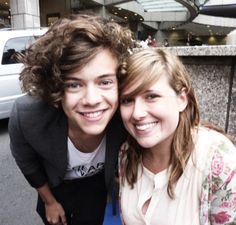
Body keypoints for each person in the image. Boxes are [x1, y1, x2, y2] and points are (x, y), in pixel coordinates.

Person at [8, 14, 132, 225]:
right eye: (74, 84)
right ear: (55, 87)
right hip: (55, 186)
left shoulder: (126, 114)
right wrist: (48, 201)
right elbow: (27, 163)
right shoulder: (27, 116)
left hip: (96, 185)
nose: (92, 100)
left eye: (105, 82)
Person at [118, 48, 236, 225]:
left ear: (182, 99)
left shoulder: (217, 160)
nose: (137, 113)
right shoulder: (126, 154)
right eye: (127, 100)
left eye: (151, 96)